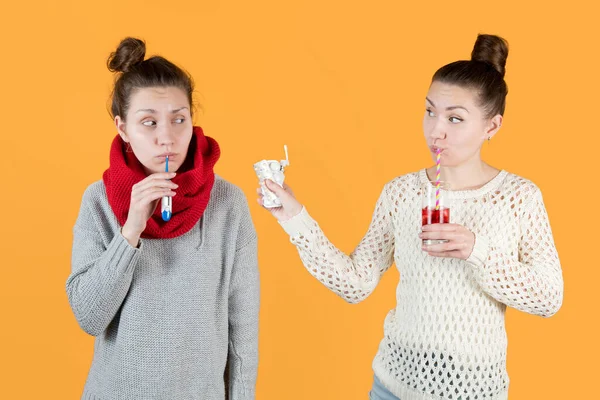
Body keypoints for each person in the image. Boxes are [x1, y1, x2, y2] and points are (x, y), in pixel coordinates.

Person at [258, 34, 563, 400]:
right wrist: (293, 217)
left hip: (473, 392)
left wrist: (476, 250)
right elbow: (356, 284)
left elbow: (548, 298)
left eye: (455, 118)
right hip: (392, 387)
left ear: (491, 127)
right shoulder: (401, 194)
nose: (437, 130)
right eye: (430, 111)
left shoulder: (519, 198)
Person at [66, 37, 259, 400]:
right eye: (149, 123)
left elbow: (243, 328)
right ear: (123, 129)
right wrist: (130, 231)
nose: (167, 138)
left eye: (178, 120)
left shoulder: (228, 204)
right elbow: (89, 317)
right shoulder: (98, 202)